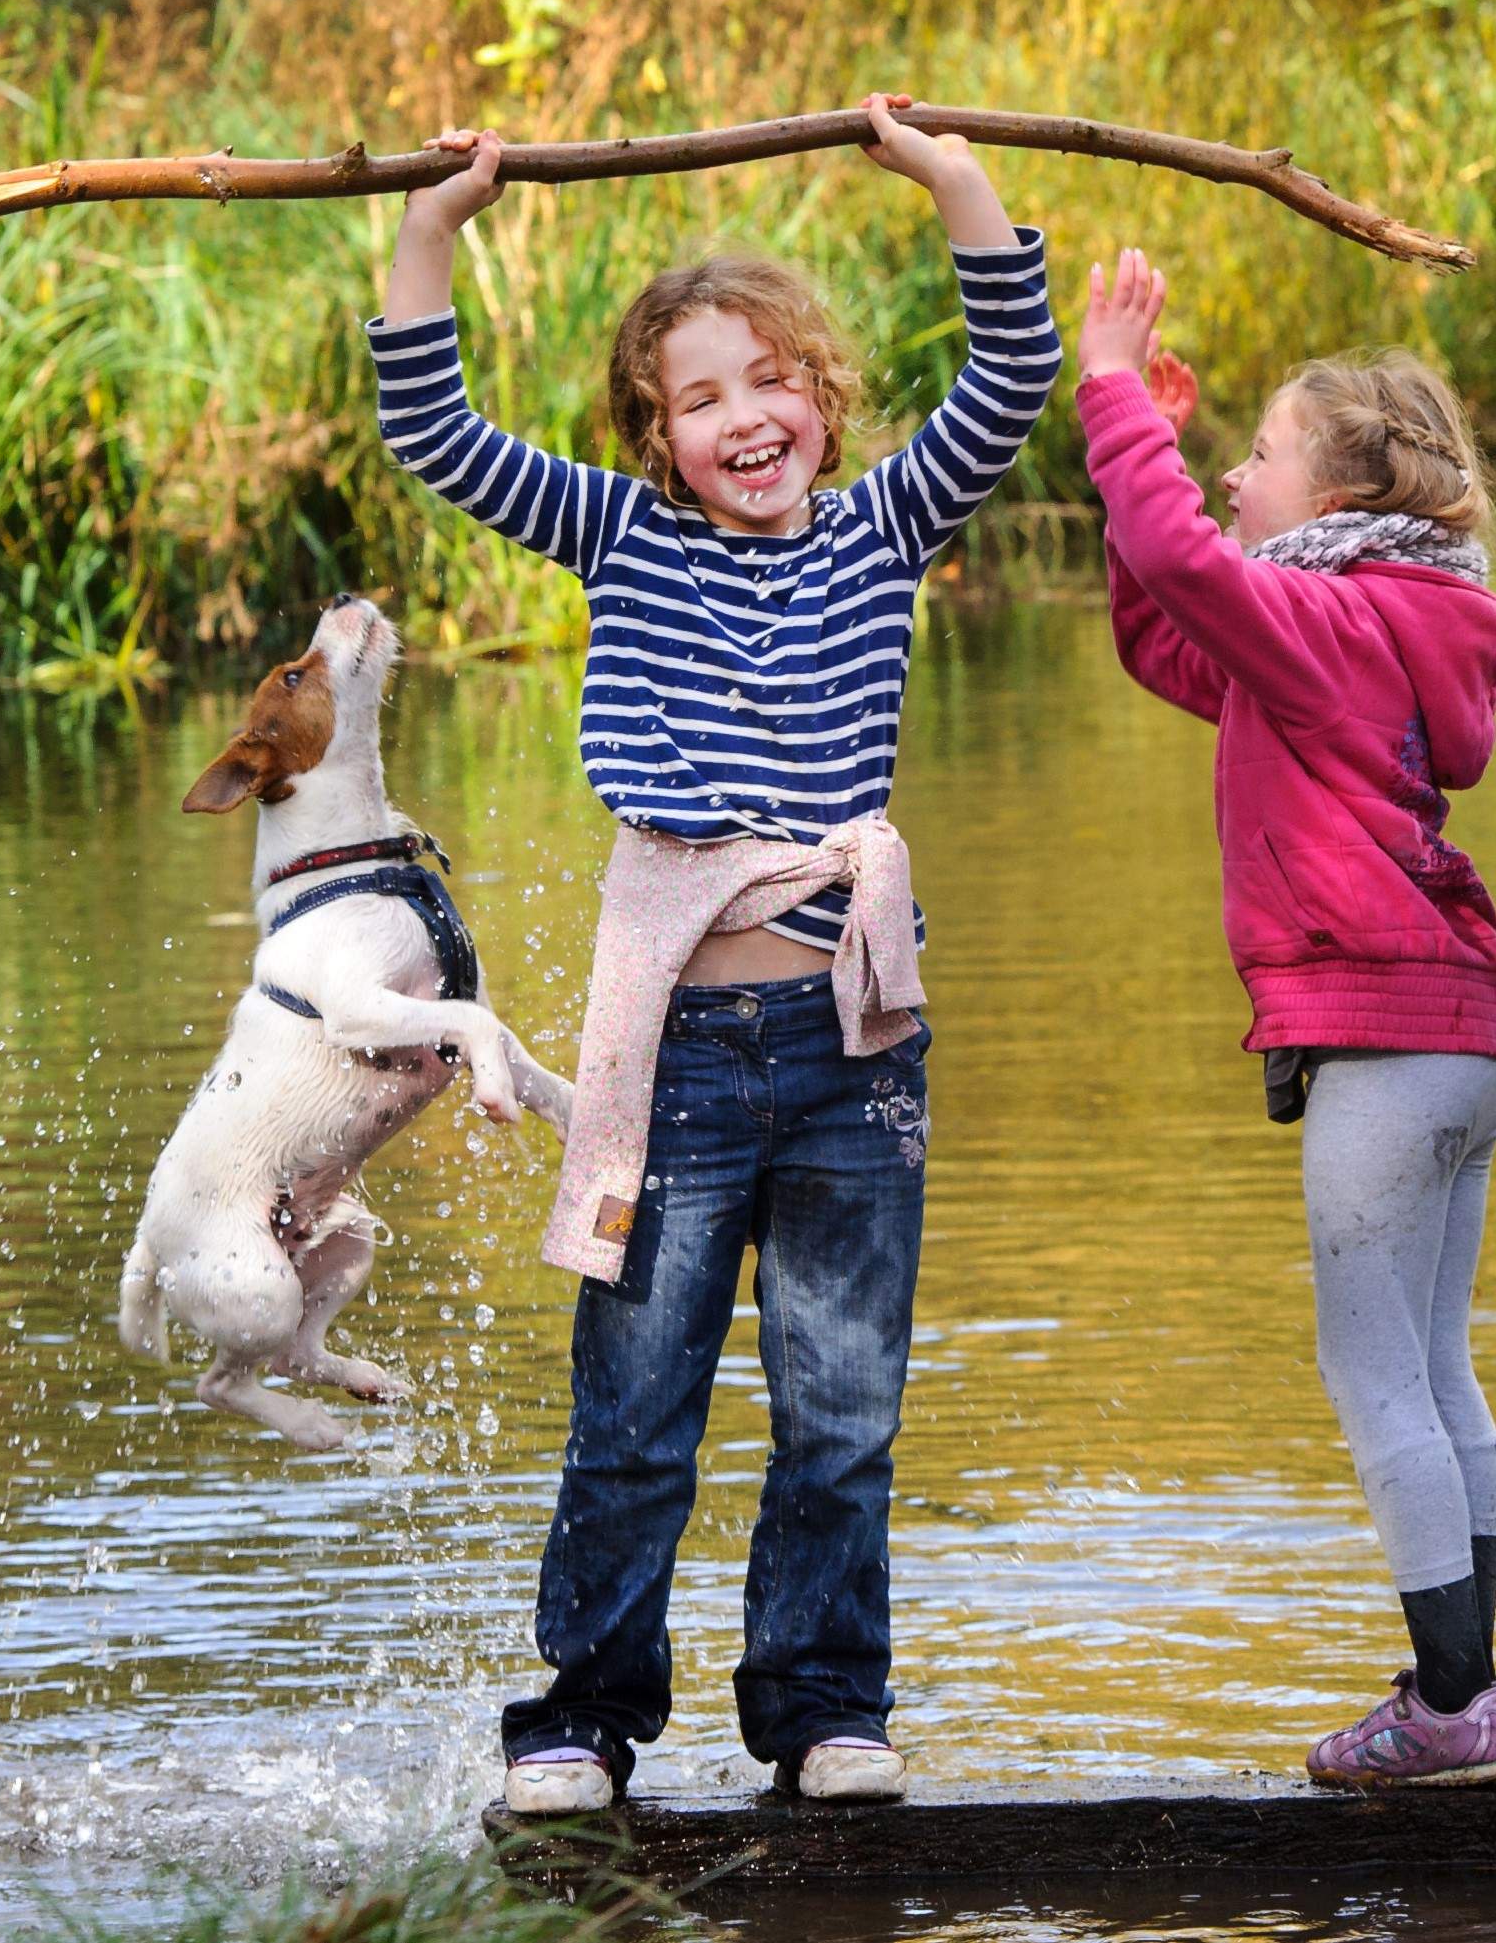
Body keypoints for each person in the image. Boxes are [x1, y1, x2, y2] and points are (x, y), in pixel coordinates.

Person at [367, 99, 1061, 1814]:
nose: (745, 419)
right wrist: (435, 228)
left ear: (820, 393)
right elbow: (433, 429)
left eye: (770, 381)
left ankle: (825, 1709)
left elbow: (1013, 377)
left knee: (842, 1406)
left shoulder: (888, 526)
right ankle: (580, 1724)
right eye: (699, 400)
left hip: (852, 1045)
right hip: (674, 1050)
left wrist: (955, 182)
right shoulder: (623, 538)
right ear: (656, 438)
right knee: (637, 1407)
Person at [1071, 248, 1496, 1787]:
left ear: (1337, 493)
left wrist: (1114, 389)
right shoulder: (1381, 625)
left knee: (1372, 1372)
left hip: (1382, 1039)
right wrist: (1175, 504)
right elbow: (1164, 630)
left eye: (1255, 456)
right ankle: (1467, 1687)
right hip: (1461, 1037)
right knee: (1439, 1359)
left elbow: (1194, 572)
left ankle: (1450, 1709)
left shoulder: (1322, 628)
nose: (1227, 472)